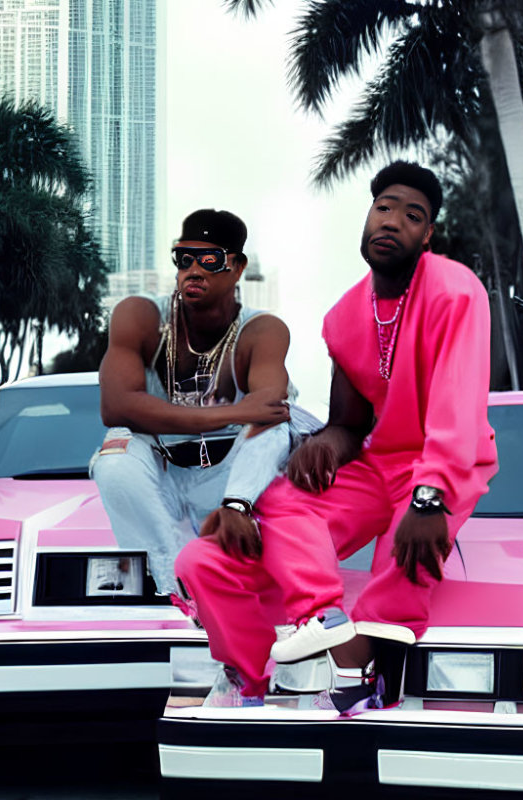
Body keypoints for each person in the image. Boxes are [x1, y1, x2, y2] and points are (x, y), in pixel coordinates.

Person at [176, 162, 498, 708]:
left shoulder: (454, 290)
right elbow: (350, 424)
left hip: (442, 466)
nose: (393, 221)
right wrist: (325, 443)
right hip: (376, 466)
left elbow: (458, 408)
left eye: (411, 215)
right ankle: (280, 653)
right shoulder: (343, 316)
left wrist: (430, 498)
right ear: (368, 217)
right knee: (221, 544)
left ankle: (359, 680)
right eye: (384, 208)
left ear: (428, 234)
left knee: (405, 561)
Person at [91, 208, 318, 597]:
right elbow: (116, 407)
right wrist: (234, 412)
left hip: (232, 475)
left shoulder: (261, 330)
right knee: (114, 457)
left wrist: (243, 425)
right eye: (184, 259)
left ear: (237, 266)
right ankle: (174, 588)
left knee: (279, 425)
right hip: (160, 470)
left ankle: (238, 510)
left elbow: (270, 408)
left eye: (209, 259)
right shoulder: (140, 315)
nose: (193, 270)